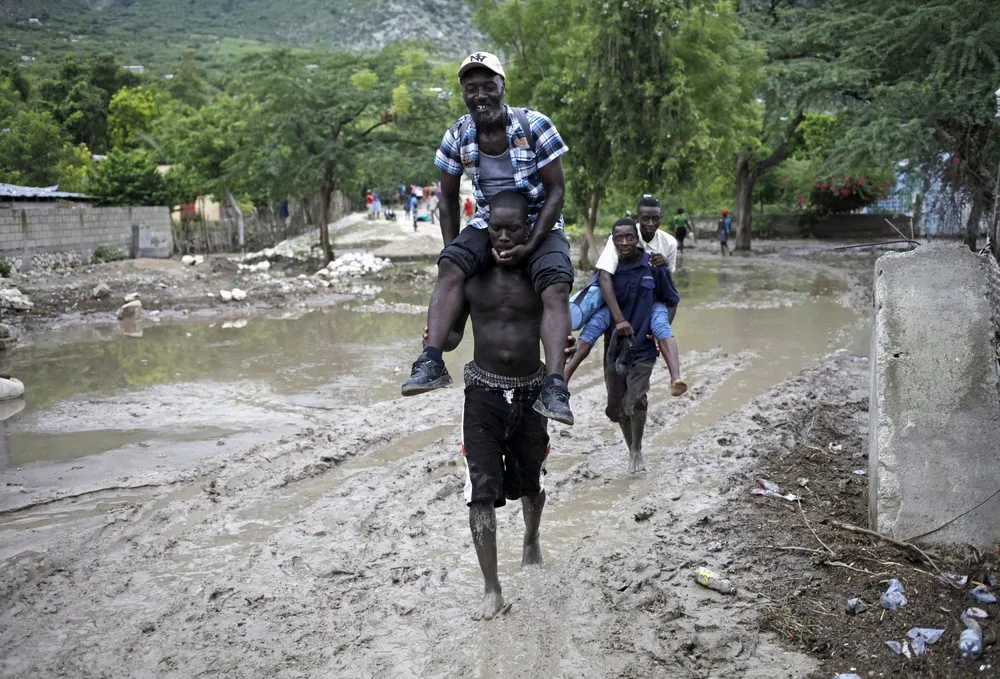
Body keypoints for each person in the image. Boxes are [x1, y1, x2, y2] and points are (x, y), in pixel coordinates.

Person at [401, 50, 575, 426]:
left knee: (556, 285)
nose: (480, 95)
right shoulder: (458, 134)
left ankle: (556, 386)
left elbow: (557, 192)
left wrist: (531, 245)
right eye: (471, 88)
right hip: (486, 222)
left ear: (502, 87)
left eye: (488, 86)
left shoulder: (535, 126)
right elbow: (447, 198)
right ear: (464, 93)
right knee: (449, 265)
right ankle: (431, 361)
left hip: (537, 222)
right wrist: (454, 252)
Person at [431, 191, 574, 620]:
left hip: (532, 393)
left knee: (532, 483)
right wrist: (437, 341)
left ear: (531, 227)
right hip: (483, 394)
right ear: (486, 227)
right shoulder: (470, 272)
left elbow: (560, 319)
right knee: (480, 491)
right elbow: (454, 332)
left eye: (516, 229)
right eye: (498, 229)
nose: (506, 238)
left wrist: (564, 348)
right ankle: (491, 587)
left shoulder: (542, 272)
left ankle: (531, 538)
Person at [564, 218, 680, 474]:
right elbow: (593, 302)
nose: (625, 242)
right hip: (615, 348)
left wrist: (659, 331)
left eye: (630, 237)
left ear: (637, 238)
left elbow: (672, 299)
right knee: (616, 409)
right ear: (612, 240)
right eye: (620, 238)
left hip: (644, 350)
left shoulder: (654, 266)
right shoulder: (608, 269)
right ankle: (632, 448)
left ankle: (636, 450)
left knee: (635, 401)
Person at [566, 196, 686, 395]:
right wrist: (619, 319)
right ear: (638, 218)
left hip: (649, 297)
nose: (649, 223)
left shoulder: (669, 243)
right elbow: (604, 276)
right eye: (645, 219)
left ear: (661, 218)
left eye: (655, 219)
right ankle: (561, 380)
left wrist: (662, 264)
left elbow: (667, 284)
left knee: (661, 325)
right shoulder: (624, 232)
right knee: (592, 328)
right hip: (619, 295)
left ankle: (676, 378)